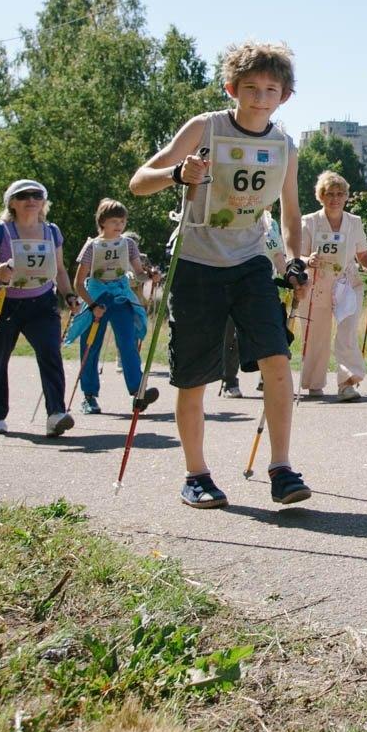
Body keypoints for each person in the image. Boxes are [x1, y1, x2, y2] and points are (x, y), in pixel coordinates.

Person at [130, 40, 312, 509]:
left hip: (250, 261)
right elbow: (139, 181)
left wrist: (293, 258)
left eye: (271, 89)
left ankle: (282, 468)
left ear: (284, 96)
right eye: (250, 88)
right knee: (193, 376)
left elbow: (290, 214)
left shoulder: (284, 145)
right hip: (195, 261)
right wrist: (177, 175)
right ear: (232, 88)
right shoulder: (205, 127)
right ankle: (197, 475)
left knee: (276, 358)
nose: (259, 97)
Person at [0, 180, 82, 436]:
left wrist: (69, 296)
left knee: (50, 354)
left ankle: (56, 414)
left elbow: (60, 269)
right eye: (23, 196)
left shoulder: (51, 231)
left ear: (43, 202)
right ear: (11, 203)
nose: (30, 200)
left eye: (36, 195)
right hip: (1, 302)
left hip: (41, 302)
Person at [297, 171, 367, 402]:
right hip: (317, 284)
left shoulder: (355, 222)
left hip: (347, 284)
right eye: (330, 194)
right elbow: (298, 256)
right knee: (315, 335)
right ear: (321, 196)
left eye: (340, 194)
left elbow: (363, 253)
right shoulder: (309, 222)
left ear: (346, 197)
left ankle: (347, 383)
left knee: (347, 333)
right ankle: (314, 384)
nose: (335, 198)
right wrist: (307, 261)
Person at [71, 199, 158, 416]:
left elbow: (138, 272)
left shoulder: (128, 244)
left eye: (122, 221)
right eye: (114, 221)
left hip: (121, 297)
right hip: (98, 297)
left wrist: (149, 275)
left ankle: (137, 392)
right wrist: (91, 306)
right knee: (91, 346)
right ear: (102, 222)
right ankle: (89, 396)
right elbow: (78, 282)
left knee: (128, 343)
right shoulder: (92, 246)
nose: (119, 225)